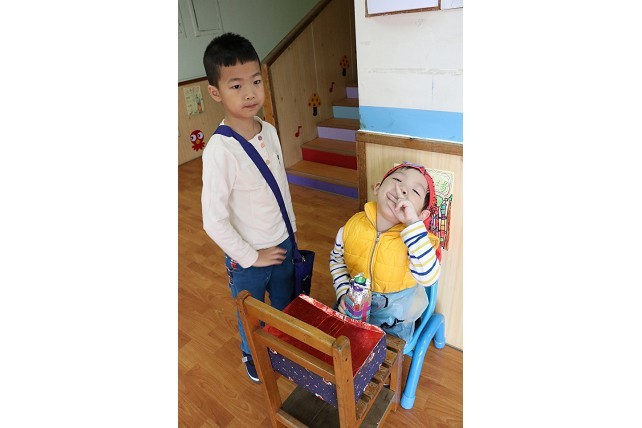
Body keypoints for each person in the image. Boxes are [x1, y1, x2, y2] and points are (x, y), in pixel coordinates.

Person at [201, 33, 297, 383]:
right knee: (251, 313)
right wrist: (251, 256)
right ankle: (252, 354)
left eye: (256, 82)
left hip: (283, 243)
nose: (250, 93)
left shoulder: (268, 130)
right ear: (216, 92)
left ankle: (285, 347)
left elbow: (281, 186)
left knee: (286, 306)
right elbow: (213, 221)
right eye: (236, 85)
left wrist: (291, 232)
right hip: (248, 259)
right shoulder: (220, 151)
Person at [329, 162, 442, 343]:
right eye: (397, 179)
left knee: (382, 356)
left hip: (393, 324)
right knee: (339, 346)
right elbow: (337, 261)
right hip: (352, 308)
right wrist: (343, 292)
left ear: (422, 215)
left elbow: (429, 277)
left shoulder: (419, 241)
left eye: (415, 191)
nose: (402, 189)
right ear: (378, 188)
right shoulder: (351, 226)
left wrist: (412, 224)